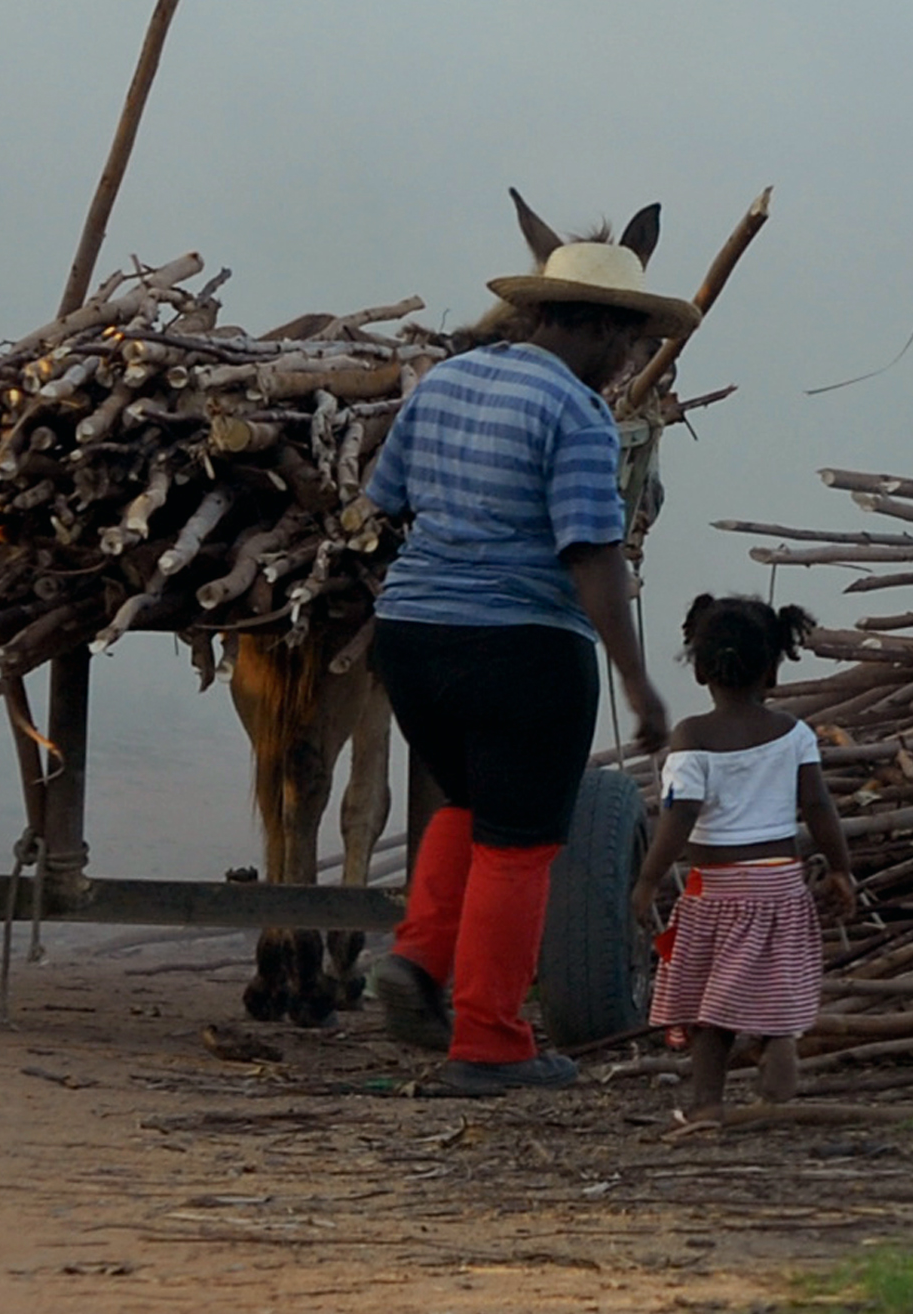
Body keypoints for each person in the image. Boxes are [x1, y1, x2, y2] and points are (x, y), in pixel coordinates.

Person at [361, 206, 698, 1095]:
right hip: (521, 647)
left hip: (412, 640)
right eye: (626, 339)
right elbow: (590, 555)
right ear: (589, 324)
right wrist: (638, 684)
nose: (628, 360)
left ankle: (420, 960)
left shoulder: (443, 382)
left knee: (470, 804)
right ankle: (490, 1041)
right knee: (521, 844)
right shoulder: (579, 415)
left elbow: (382, 498)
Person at [632, 595, 857, 1121]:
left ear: (701, 669)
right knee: (774, 984)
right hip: (781, 885)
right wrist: (842, 869)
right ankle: (779, 1046)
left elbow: (679, 816)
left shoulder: (691, 737)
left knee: (712, 1010)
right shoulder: (794, 735)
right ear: (774, 671)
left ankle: (707, 1107)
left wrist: (647, 879)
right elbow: (819, 806)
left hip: (715, 889)